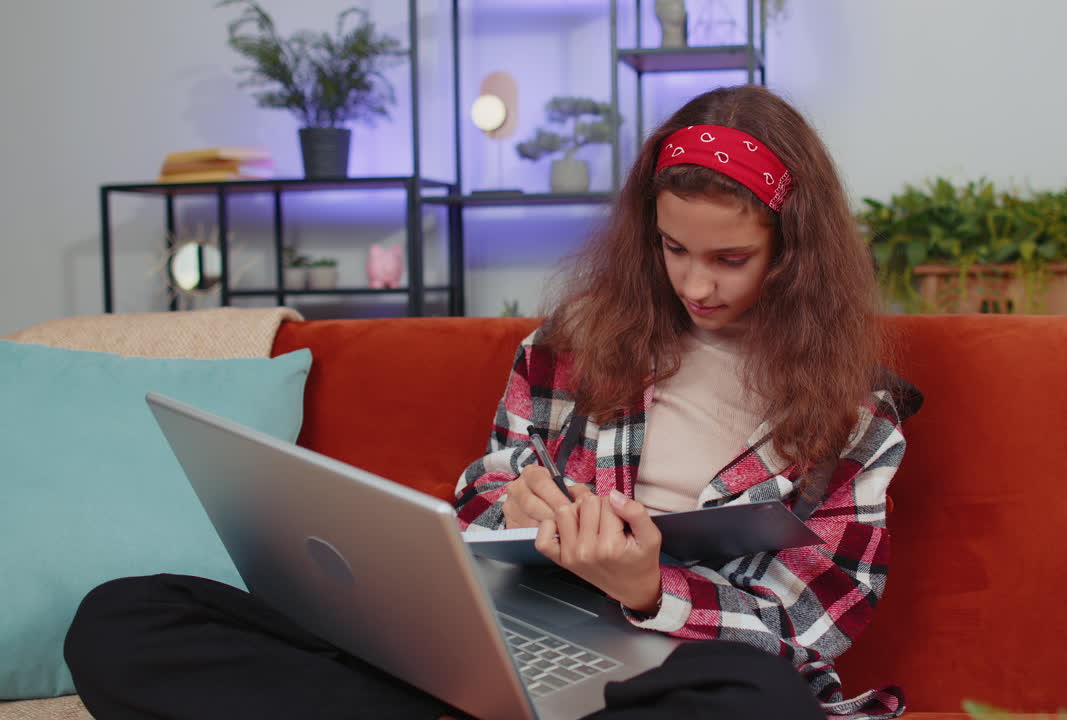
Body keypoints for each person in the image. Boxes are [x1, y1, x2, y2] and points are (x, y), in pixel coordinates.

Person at [64, 84, 917, 720]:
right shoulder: (574, 341)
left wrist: (650, 586)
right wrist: (507, 505)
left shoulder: (857, 414)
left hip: (675, 677)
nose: (695, 282)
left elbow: (811, 628)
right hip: (509, 639)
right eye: (672, 247)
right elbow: (480, 494)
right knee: (127, 619)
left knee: (759, 703)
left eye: (730, 258)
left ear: (793, 251)